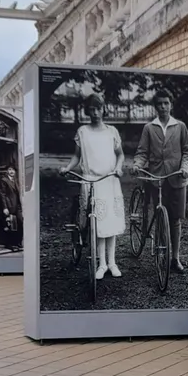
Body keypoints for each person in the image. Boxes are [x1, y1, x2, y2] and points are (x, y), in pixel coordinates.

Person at [59, 93, 126, 280]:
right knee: (97, 224)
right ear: (88, 111)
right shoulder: (83, 132)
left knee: (110, 223)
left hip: (110, 180)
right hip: (90, 181)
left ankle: (112, 262)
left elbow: (120, 154)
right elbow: (77, 156)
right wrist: (67, 167)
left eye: (98, 108)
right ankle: (101, 264)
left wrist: (119, 168)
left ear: (103, 109)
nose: (95, 112)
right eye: (91, 109)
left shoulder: (112, 131)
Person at [130, 88, 188, 273]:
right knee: (160, 215)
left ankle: (175, 258)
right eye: (159, 104)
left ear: (171, 105)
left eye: (166, 103)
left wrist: (184, 168)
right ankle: (160, 254)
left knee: (175, 220)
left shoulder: (180, 126)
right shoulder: (149, 128)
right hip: (156, 178)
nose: (163, 106)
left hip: (176, 178)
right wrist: (137, 164)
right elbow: (142, 152)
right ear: (155, 107)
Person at [0, 163, 22, 251]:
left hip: (17, 206)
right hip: (9, 205)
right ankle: (10, 244)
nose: (11, 171)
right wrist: (5, 207)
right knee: (10, 225)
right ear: (7, 171)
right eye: (9, 170)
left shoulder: (16, 180)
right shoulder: (4, 180)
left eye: (13, 170)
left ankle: (17, 242)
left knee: (20, 223)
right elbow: (2, 194)